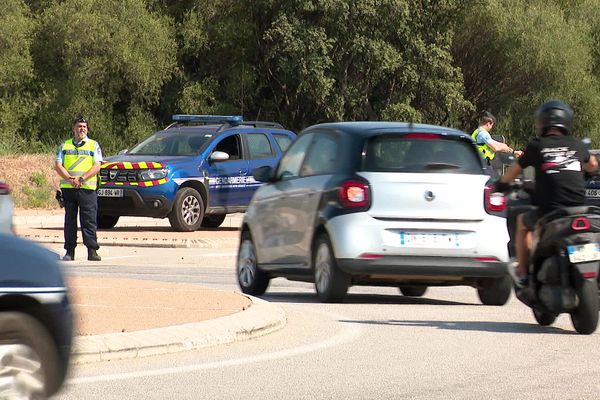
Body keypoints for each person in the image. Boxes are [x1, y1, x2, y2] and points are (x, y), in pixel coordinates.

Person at [495, 100, 598, 285]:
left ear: (541, 122)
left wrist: (500, 185)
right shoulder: (577, 144)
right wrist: (588, 172)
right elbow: (592, 165)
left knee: (522, 222)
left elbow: (512, 172)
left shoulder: (537, 145)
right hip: (579, 209)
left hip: (550, 211)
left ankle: (523, 271)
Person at [54, 115, 103, 261]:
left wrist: (82, 179)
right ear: (73, 128)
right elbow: (58, 165)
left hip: (87, 187)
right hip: (69, 188)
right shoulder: (64, 145)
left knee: (89, 220)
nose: (82, 129)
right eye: (79, 126)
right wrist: (70, 179)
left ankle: (92, 250)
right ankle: (69, 251)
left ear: (87, 129)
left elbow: (97, 165)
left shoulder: (93, 145)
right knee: (70, 221)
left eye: (84, 127)